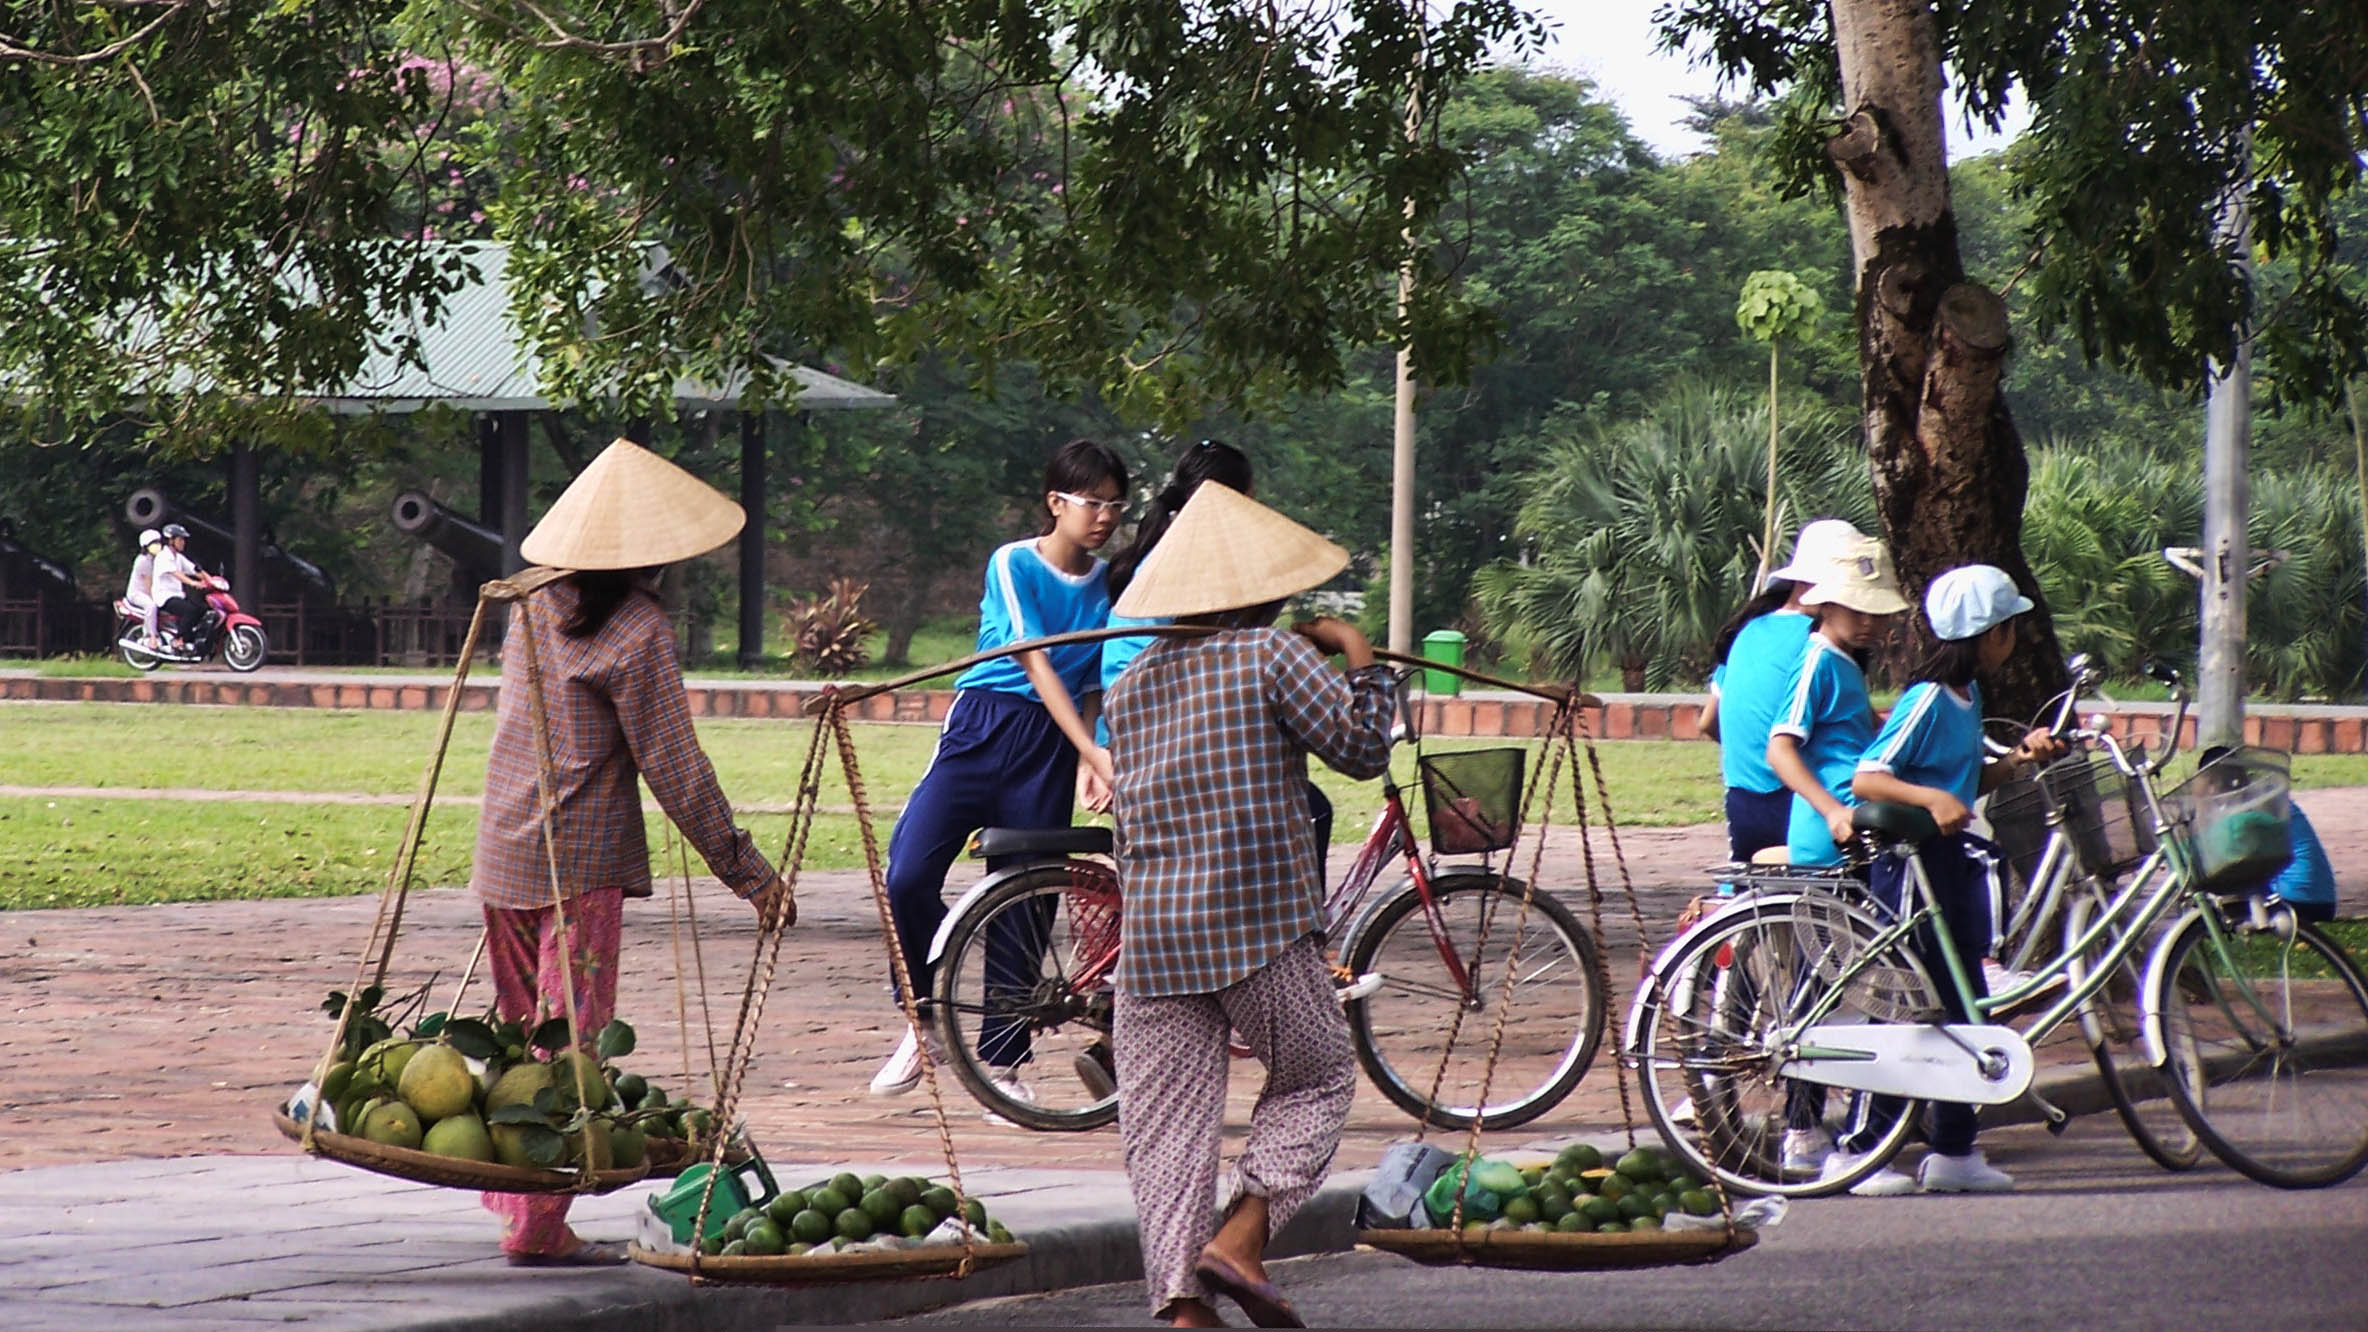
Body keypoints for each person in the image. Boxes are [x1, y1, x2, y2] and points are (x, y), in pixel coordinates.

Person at [470, 438, 791, 1267]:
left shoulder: (528, 601)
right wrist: (749, 873)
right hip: (578, 861)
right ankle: (536, 1228)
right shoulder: (640, 626)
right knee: (569, 1053)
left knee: (518, 1045)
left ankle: (525, 1214)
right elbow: (675, 767)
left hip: (502, 845)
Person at [1102, 481, 1394, 1329]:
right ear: (1264, 595)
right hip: (1254, 926)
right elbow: (1363, 750)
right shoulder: (1272, 656)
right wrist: (1357, 654)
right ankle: (1242, 1237)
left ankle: (1184, 1312)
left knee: (1166, 1136)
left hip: (1153, 938)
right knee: (1319, 1075)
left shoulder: (1130, 685)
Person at [869, 439, 1130, 1109]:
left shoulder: (1108, 584)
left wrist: (1088, 754)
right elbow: (1037, 658)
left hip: (1050, 741)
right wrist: (1092, 749)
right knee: (909, 870)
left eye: (1114, 504)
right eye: (1091, 501)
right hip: (982, 728)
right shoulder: (1013, 562)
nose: (1104, 515)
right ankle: (924, 1011)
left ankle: (1004, 1064)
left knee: (1026, 895)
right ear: (1056, 503)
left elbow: (1094, 675)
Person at [1822, 563, 2063, 1196]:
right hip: (1910, 868)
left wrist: (2015, 761)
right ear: (1987, 635)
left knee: (1958, 1004)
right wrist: (1929, 799)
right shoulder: (1929, 698)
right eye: (2008, 628)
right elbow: (1868, 777)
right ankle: (1859, 1150)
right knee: (1902, 1005)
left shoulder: (1967, 697)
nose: (2012, 640)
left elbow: (1967, 784)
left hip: (1950, 865)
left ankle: (1954, 1150)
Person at [1758, 536, 1907, 1176]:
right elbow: (1782, 748)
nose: (1868, 618)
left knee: (1840, 981)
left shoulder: (1845, 664)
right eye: (1856, 606)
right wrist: (1831, 809)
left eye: (1875, 608)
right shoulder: (1818, 661)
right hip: (1831, 844)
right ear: (1825, 606)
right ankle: (1801, 1124)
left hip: (1860, 837)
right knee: (1820, 988)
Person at [1703, 519, 1869, 863]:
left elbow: (1708, 722)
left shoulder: (1746, 630)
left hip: (1742, 803)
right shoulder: (1822, 646)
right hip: (1800, 806)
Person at [2196, 745, 2336, 924]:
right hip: (2322, 902)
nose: (2210, 791)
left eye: (2209, 781)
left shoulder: (2248, 808)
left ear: (2212, 781)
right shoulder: (2262, 797)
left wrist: (2201, 808)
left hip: (2296, 902)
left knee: (2224, 891)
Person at [149, 523, 207, 650]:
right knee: (190, 611)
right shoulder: (163, 557)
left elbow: (195, 570)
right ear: (171, 540)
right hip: (164, 597)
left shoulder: (178, 557)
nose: (183, 542)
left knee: (203, 609)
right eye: (180, 539)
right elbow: (177, 574)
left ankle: (191, 638)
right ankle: (178, 640)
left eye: (183, 539)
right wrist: (193, 583)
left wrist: (211, 580)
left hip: (177, 595)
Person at [123, 527, 162, 646]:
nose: (158, 545)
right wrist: (154, 598)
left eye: (158, 542)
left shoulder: (154, 559)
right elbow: (147, 584)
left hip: (146, 591)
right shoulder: (143, 561)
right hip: (137, 594)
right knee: (151, 606)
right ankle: (150, 636)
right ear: (146, 545)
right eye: (154, 543)